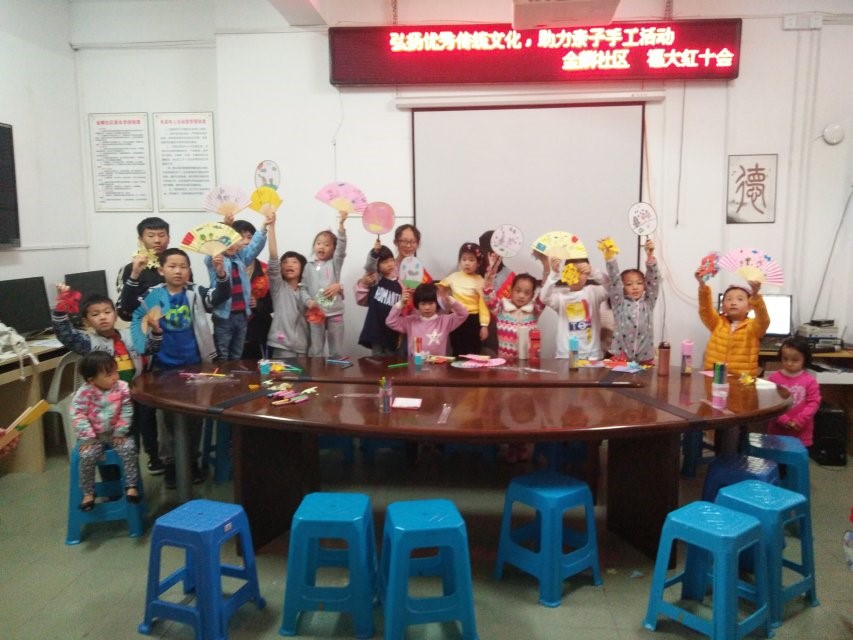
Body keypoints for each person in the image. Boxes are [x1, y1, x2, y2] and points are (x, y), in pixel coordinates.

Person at [131, 248, 230, 488]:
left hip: (195, 365)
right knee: (166, 420)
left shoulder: (195, 292)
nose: (178, 271)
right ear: (161, 270)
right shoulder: (152, 295)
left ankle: (191, 461)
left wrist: (221, 274)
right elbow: (127, 305)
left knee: (195, 417)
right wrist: (134, 273)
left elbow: (219, 296)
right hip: (162, 368)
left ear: (189, 270)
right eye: (172, 266)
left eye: (183, 266)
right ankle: (171, 465)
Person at [52, 287, 160, 471]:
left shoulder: (130, 335)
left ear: (115, 315)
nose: (103, 317)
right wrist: (61, 308)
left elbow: (151, 348)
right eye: (95, 314)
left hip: (135, 393)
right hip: (107, 403)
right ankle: (118, 473)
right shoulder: (88, 343)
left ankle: (145, 463)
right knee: (117, 441)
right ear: (86, 321)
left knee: (141, 430)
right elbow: (66, 335)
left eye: (107, 312)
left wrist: (156, 331)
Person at [114, 216, 174, 474]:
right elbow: (124, 311)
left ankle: (176, 455)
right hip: (146, 344)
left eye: (162, 235)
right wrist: (136, 274)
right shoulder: (131, 268)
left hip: (174, 341)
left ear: (168, 237)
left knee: (174, 401)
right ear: (141, 239)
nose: (157, 240)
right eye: (151, 235)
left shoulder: (175, 263)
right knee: (148, 403)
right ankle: (153, 455)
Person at [483, 271, 544, 463]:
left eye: (527, 292)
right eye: (518, 290)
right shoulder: (501, 308)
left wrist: (546, 266)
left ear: (532, 295)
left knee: (525, 408)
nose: (521, 295)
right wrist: (489, 278)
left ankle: (523, 444)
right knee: (507, 407)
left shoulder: (534, 310)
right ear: (511, 290)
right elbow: (488, 295)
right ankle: (510, 445)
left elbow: (545, 294)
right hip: (505, 368)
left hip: (528, 368)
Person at [71, 351, 140, 511]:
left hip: (116, 433)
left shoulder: (122, 387)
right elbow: (78, 415)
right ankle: (88, 493)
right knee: (87, 456)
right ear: (91, 380)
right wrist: (88, 437)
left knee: (129, 448)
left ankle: (131, 486)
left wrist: (120, 431)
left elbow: (127, 409)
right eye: (109, 375)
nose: (115, 377)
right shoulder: (83, 393)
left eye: (115, 372)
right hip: (94, 437)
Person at [204, 213, 271, 360]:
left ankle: (235, 375)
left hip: (242, 315)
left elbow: (254, 247)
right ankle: (223, 374)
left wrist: (264, 226)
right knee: (223, 354)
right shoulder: (215, 260)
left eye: (234, 240)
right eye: (226, 241)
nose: (231, 244)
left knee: (237, 354)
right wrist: (226, 226)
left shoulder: (240, 258)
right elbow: (212, 254)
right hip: (223, 315)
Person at [695, 270, 769, 376]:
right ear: (722, 307)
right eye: (729, 299)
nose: (733, 302)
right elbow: (705, 310)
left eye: (740, 299)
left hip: (742, 379)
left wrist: (756, 295)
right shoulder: (717, 323)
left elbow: (764, 319)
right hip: (715, 376)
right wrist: (702, 285)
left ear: (750, 306)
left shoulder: (753, 327)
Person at [600, 237, 660, 363]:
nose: (635, 287)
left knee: (646, 378)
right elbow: (615, 280)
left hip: (644, 357)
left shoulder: (648, 303)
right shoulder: (619, 304)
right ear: (622, 287)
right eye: (629, 284)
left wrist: (650, 257)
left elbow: (654, 282)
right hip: (621, 357)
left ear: (645, 285)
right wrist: (610, 257)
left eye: (639, 283)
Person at [539, 253, 610, 360]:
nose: (576, 276)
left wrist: (594, 272)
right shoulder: (561, 297)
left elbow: (612, 287)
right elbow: (544, 298)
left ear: (587, 275)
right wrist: (554, 274)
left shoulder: (594, 292)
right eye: (572, 271)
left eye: (581, 272)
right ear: (565, 274)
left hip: (592, 355)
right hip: (566, 355)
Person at [303, 211, 348, 358]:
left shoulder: (335, 263)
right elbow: (303, 287)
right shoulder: (308, 266)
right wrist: (308, 301)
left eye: (327, 244)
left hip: (335, 311)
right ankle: (317, 372)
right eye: (318, 243)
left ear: (333, 249)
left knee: (336, 351)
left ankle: (336, 371)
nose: (321, 247)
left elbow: (341, 249)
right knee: (316, 351)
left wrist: (341, 225)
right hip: (316, 312)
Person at [266, 221, 311, 358]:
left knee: (304, 374)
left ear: (302, 267)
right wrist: (271, 227)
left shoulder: (308, 289)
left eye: (294, 262)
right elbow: (273, 259)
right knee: (282, 373)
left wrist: (337, 289)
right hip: (281, 345)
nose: (289, 265)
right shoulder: (278, 287)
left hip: (304, 347)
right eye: (285, 262)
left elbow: (324, 306)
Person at [385, 282, 468, 357]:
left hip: (438, 365)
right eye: (423, 304)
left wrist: (451, 301)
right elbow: (390, 321)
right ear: (417, 305)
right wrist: (401, 303)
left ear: (437, 303)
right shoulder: (411, 321)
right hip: (416, 364)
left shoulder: (445, 321)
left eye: (431, 303)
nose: (427, 307)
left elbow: (463, 314)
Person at [765, 337, 821, 446]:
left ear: (805, 359)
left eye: (795, 360)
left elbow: (814, 403)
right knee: (776, 454)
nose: (789, 363)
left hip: (801, 431)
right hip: (777, 430)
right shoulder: (773, 378)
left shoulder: (810, 381)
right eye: (785, 359)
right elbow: (769, 403)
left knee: (796, 455)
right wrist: (783, 420)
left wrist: (799, 420)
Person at [439, 242, 490, 356]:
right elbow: (440, 287)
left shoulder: (480, 281)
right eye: (464, 259)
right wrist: (442, 294)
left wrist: (484, 325)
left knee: (473, 351)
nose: (467, 263)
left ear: (478, 263)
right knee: (457, 350)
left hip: (472, 320)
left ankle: (472, 368)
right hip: (456, 318)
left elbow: (483, 305)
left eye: (471, 260)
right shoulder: (453, 277)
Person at [232, 220, 273, 360]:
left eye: (250, 237)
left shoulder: (266, 270)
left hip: (260, 330)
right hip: (233, 329)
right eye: (240, 237)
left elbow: (274, 303)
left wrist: (259, 304)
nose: (246, 242)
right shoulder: (225, 268)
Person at [355, 242, 403, 356]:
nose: (390, 264)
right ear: (377, 265)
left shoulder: (400, 282)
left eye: (391, 260)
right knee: (377, 358)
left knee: (391, 357)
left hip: (392, 329)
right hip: (375, 327)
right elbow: (370, 266)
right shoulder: (375, 278)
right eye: (385, 262)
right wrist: (374, 253)